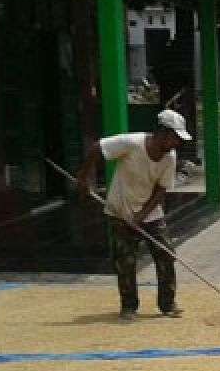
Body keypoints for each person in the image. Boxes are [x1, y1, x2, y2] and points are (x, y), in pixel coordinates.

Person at [76, 108, 191, 320]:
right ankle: (129, 306)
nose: (176, 143)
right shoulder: (131, 143)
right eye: (175, 138)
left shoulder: (169, 157)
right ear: (163, 133)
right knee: (125, 261)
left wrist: (141, 215)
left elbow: (161, 190)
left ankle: (167, 303)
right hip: (120, 210)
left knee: (166, 254)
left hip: (150, 214)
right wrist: (84, 178)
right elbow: (96, 148)